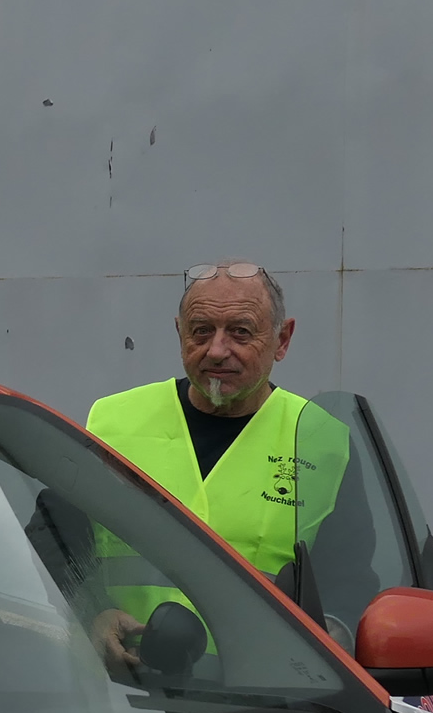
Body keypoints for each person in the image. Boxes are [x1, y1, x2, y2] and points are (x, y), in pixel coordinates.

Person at [84, 261, 363, 668]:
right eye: (201, 331)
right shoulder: (111, 423)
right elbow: (56, 544)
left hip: (262, 702)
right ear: (180, 335)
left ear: (282, 340)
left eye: (241, 331)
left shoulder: (324, 443)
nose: (216, 350)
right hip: (126, 694)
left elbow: (352, 586)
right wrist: (92, 614)